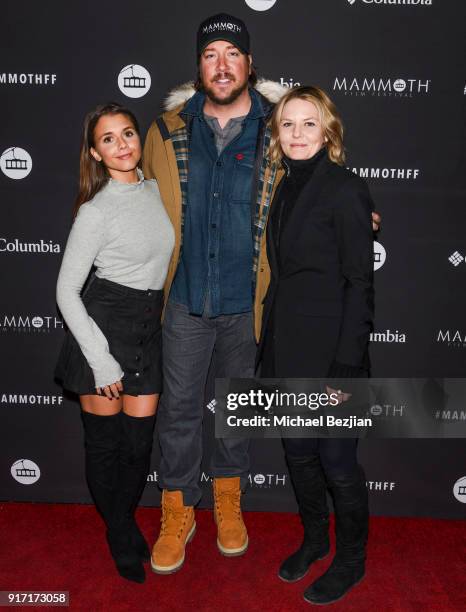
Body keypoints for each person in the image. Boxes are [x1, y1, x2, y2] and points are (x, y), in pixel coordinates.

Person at [143, 12, 380, 575]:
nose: (222, 65)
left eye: (233, 54)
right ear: (198, 66)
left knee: (236, 415)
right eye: (210, 55)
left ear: (250, 64)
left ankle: (228, 503)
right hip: (184, 301)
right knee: (178, 413)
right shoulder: (168, 130)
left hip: (250, 306)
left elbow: (318, 187)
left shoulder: (275, 132)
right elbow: (139, 197)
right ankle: (178, 512)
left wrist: (357, 214)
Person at [256, 86, 374, 605]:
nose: (298, 134)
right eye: (288, 124)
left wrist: (347, 361)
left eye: (309, 124)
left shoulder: (345, 189)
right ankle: (315, 540)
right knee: (298, 453)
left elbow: (359, 282)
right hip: (288, 350)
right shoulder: (284, 186)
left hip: (333, 355)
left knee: (337, 461)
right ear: (277, 135)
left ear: (327, 130)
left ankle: (350, 560)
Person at [55, 103, 174, 583]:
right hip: (102, 332)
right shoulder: (95, 211)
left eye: (128, 133)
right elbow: (66, 291)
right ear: (95, 153)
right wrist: (101, 362)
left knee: (138, 447)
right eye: (109, 139)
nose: (123, 144)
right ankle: (120, 532)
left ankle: (120, 521)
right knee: (104, 447)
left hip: (147, 328)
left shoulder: (155, 190)